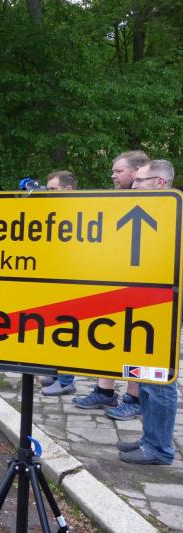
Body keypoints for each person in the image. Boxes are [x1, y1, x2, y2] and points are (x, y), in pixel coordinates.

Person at [73, 153, 150, 419]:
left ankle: (134, 397)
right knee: (107, 337)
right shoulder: (116, 199)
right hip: (111, 281)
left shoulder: (158, 201)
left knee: (136, 342)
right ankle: (104, 392)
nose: (113, 176)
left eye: (118, 171)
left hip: (141, 286)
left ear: (137, 171)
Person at [117, 159, 178, 465]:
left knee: (160, 379)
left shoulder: (174, 212)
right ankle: (149, 439)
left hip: (164, 309)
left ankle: (160, 449)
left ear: (160, 183)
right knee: (145, 378)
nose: (134, 184)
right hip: (144, 306)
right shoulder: (153, 210)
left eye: (141, 180)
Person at [39, 171, 78, 396]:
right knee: (54, 329)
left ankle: (66, 382)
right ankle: (56, 374)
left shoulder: (77, 212)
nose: (48, 193)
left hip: (70, 282)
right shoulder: (57, 210)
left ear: (68, 189)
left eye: (52, 189)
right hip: (55, 281)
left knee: (65, 330)